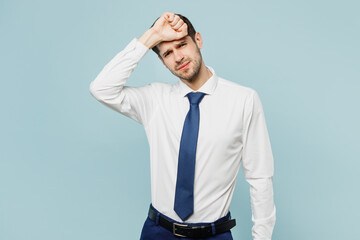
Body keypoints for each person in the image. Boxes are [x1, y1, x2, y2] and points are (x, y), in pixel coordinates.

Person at [89, 12, 276, 240]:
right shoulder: (154, 99)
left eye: (182, 44)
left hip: (214, 235)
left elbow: (260, 177)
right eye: (168, 53)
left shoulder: (244, 100)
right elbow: (101, 89)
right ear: (162, 61)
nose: (178, 57)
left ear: (198, 40)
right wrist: (151, 37)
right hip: (158, 232)